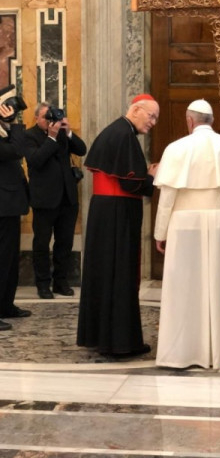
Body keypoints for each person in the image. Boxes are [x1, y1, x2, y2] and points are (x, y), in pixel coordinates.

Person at [154, 99, 220, 369]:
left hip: (183, 224)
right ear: (212, 120)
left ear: (190, 121)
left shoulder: (175, 148)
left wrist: (160, 232)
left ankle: (181, 353)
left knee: (184, 287)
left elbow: (167, 197)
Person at [77, 94, 159, 357]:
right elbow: (130, 183)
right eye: (151, 116)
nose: (153, 122)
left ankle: (100, 337)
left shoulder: (117, 131)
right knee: (120, 274)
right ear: (136, 110)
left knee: (105, 273)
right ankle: (120, 343)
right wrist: (151, 177)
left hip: (106, 212)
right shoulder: (124, 135)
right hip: (117, 214)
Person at [25, 102, 87, 299]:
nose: (50, 121)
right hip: (44, 200)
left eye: (53, 116)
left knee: (65, 243)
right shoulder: (29, 136)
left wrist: (67, 132)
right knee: (41, 244)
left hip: (67, 198)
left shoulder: (62, 134)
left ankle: (61, 282)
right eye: (46, 117)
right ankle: (43, 284)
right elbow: (36, 161)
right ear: (36, 118)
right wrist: (51, 138)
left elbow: (82, 150)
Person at [0, 103, 31, 331]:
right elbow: (17, 150)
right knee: (1, 260)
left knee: (9, 260)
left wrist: (8, 126)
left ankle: (6, 305)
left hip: (9, 205)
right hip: (2, 206)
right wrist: (13, 125)